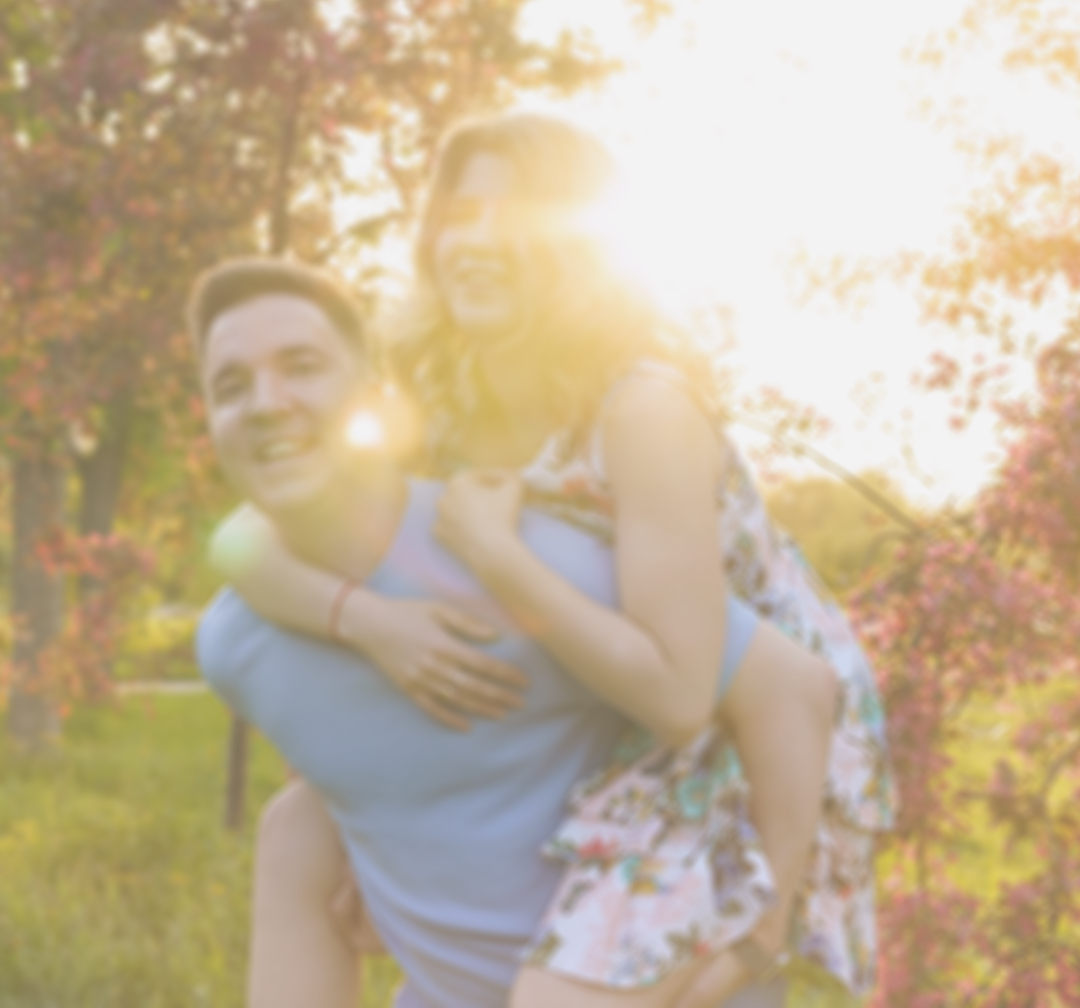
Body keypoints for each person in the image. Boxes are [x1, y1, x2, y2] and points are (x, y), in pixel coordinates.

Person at [234, 115, 894, 1005]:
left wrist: (498, 555)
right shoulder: (437, 393)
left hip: (738, 743)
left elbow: (683, 698)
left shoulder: (643, 408)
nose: (475, 242)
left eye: (516, 220)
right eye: (459, 215)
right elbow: (240, 541)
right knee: (297, 829)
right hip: (589, 694)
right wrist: (372, 626)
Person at [192, 259, 795, 1007]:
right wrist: (365, 625)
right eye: (231, 386)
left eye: (302, 367)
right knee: (298, 828)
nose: (266, 403)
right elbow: (336, 739)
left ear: (374, 397)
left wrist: (765, 932)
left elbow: (791, 685)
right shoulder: (236, 645)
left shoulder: (514, 554)